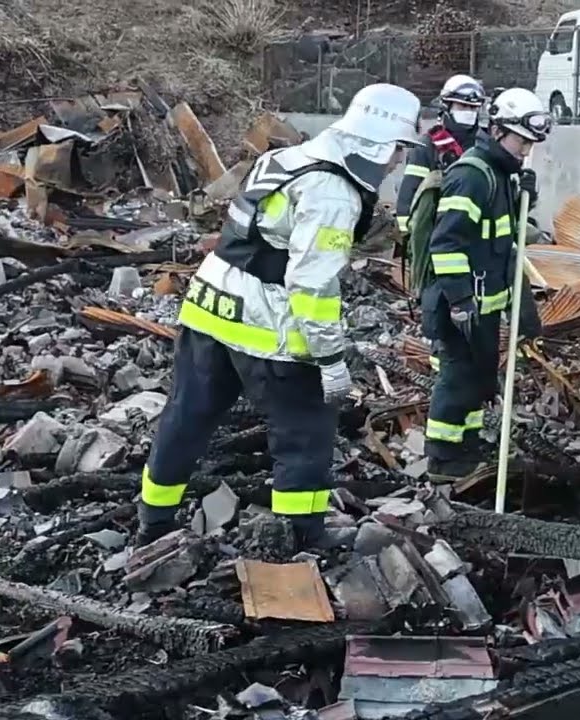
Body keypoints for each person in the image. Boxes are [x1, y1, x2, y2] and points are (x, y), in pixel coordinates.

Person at [136, 84, 423, 548]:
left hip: (210, 309)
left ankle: (153, 522)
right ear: (379, 143)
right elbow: (311, 288)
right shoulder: (334, 193)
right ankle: (302, 536)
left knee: (186, 417)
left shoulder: (290, 159)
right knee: (306, 430)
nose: (397, 163)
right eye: (398, 150)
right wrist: (329, 360)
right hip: (266, 324)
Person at [420, 87, 551, 479]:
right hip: (462, 306)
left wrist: (524, 196)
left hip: (486, 305)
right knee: (458, 379)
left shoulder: (500, 175)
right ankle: (443, 457)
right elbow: (445, 243)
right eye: (521, 141)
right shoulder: (472, 177)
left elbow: (502, 243)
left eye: (531, 144)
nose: (526, 151)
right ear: (497, 131)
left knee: (479, 379)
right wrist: (460, 300)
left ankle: (468, 448)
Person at [394, 74, 488, 233]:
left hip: (477, 236)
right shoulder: (427, 146)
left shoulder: (485, 146)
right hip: (437, 232)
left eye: (473, 108)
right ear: (447, 107)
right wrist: (409, 240)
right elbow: (408, 195)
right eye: (462, 107)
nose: (469, 112)